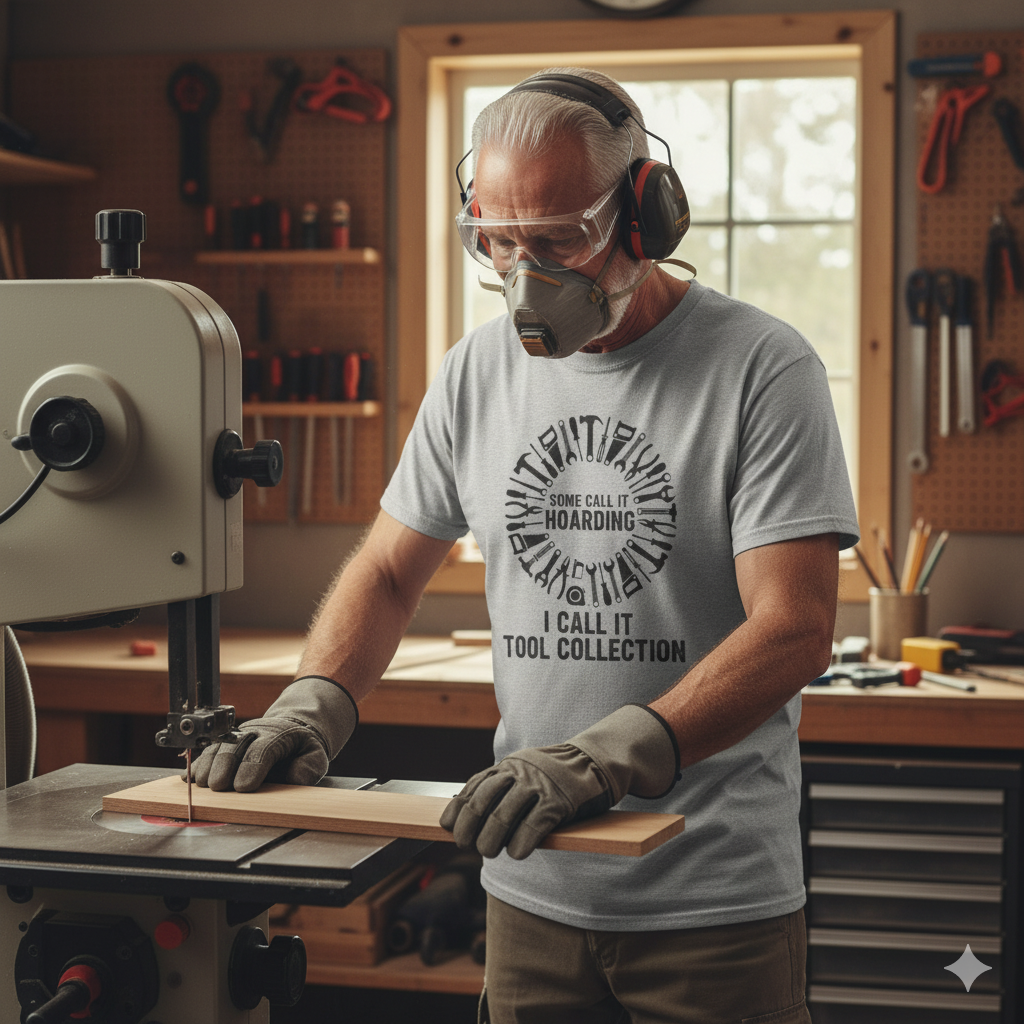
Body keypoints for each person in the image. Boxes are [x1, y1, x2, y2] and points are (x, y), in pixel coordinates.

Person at [191, 68, 859, 1024]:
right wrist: (311, 706)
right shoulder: (477, 372)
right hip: (531, 887)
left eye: (556, 242)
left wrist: (602, 760)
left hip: (711, 902)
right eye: (496, 243)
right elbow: (386, 570)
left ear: (645, 216)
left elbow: (795, 629)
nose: (524, 278)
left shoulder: (762, 366)